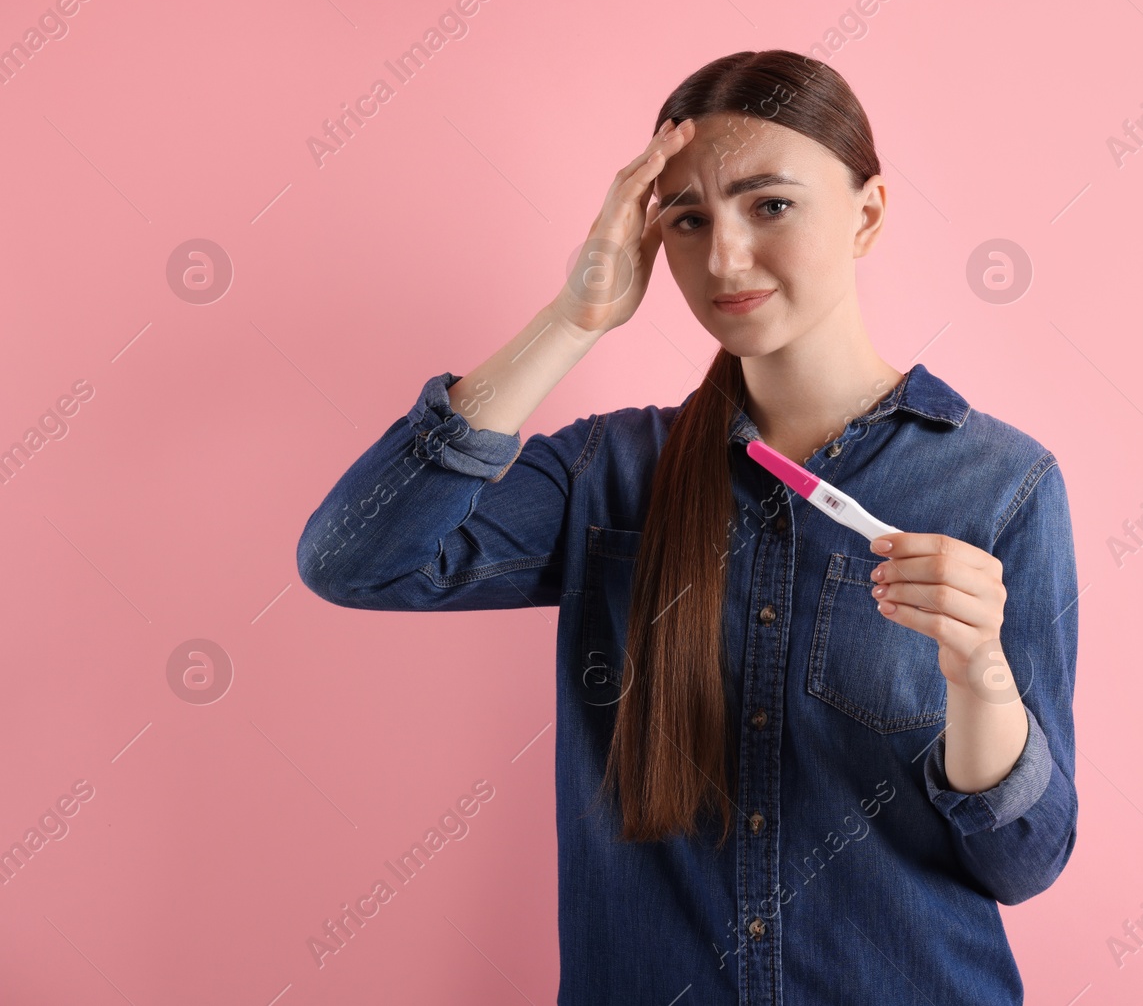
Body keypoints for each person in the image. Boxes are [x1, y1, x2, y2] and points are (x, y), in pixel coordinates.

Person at [295, 49, 1079, 1004]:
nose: (724, 259)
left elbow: (1024, 862)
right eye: (688, 218)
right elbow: (353, 560)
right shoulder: (609, 474)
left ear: (868, 211)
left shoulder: (1001, 483)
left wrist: (981, 679)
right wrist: (574, 319)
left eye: (771, 205)